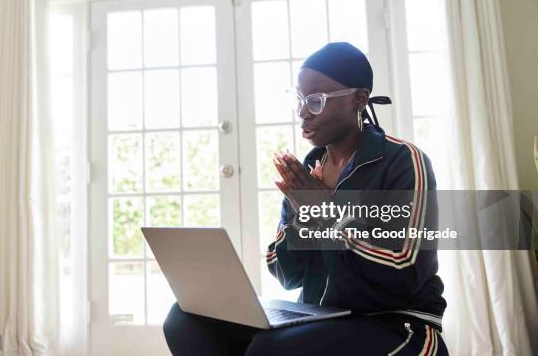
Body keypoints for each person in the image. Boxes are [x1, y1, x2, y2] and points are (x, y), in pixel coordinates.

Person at [163, 42, 448, 355]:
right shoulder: (308, 172)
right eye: (300, 100)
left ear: (359, 99)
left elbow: (403, 272)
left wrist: (326, 213)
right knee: (184, 319)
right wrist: (304, 216)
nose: (302, 112)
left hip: (394, 323)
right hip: (320, 320)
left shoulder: (402, 161)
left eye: (315, 101)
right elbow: (287, 275)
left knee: (271, 349)